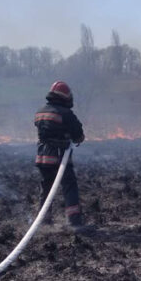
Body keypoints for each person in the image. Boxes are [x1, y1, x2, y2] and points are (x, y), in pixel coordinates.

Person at [34, 80, 85, 227]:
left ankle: (44, 220)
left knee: (46, 188)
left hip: (42, 156)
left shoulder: (40, 111)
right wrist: (74, 137)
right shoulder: (66, 113)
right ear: (66, 97)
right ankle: (74, 221)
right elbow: (78, 135)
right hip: (59, 157)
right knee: (69, 185)